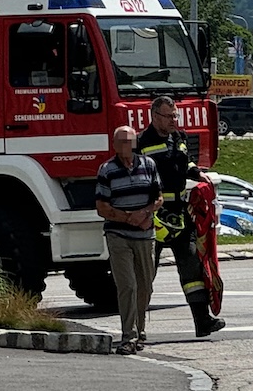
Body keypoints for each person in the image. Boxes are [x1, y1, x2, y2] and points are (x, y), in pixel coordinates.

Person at [138, 95, 224, 338]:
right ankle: (136, 327)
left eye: (175, 115)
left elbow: (185, 164)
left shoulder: (179, 138)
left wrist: (198, 173)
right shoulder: (141, 142)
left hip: (179, 211)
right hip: (154, 213)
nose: (174, 120)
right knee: (145, 272)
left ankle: (202, 321)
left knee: (192, 269)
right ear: (154, 117)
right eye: (168, 116)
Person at [95, 126, 159, 355]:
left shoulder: (148, 165)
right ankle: (127, 336)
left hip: (145, 234)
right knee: (128, 286)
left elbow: (158, 197)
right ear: (114, 145)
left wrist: (145, 214)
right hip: (118, 235)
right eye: (120, 142)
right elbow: (101, 207)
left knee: (145, 285)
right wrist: (127, 218)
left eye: (129, 141)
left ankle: (140, 331)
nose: (125, 146)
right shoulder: (107, 170)